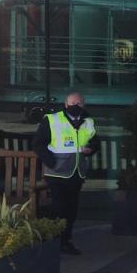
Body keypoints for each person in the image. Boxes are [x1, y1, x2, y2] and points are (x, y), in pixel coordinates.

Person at [33, 92, 99, 255]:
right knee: (58, 207)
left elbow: (95, 141)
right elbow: (38, 144)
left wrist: (91, 149)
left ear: (84, 104)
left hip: (77, 172)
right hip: (57, 173)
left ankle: (65, 241)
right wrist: (52, 163)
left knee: (71, 209)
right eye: (72, 102)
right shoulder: (52, 119)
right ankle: (53, 241)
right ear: (65, 104)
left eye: (79, 102)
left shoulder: (88, 121)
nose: (76, 105)